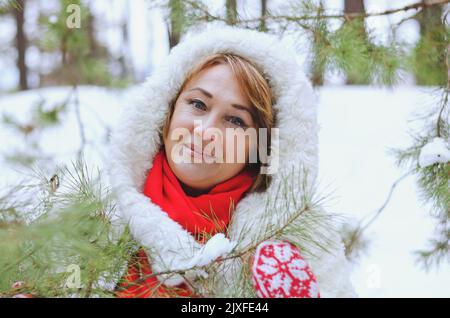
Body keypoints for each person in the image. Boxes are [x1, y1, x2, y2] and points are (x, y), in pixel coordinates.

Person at [107, 24, 356, 298]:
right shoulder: (102, 216)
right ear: (167, 109)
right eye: (198, 104)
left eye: (235, 121)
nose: (204, 132)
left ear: (260, 146)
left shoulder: (301, 237)